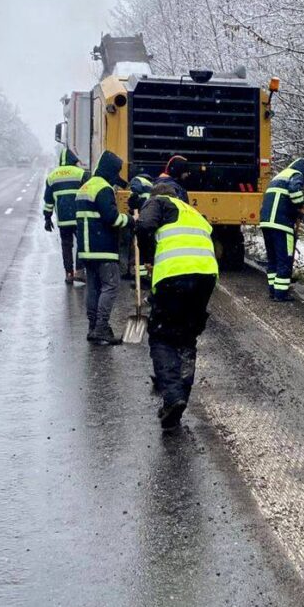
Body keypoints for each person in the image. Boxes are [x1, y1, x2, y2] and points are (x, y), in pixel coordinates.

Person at [136, 184, 218, 430]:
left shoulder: (158, 202)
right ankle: (179, 398)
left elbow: (144, 227)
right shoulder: (191, 211)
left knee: (162, 336)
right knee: (186, 336)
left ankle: (173, 396)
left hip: (174, 275)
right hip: (206, 276)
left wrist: (149, 257)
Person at [75, 150, 129, 345]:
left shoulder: (86, 186)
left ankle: (93, 327)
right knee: (110, 287)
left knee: (94, 287)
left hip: (86, 249)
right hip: (103, 247)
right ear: (110, 171)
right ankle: (101, 328)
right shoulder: (103, 189)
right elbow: (112, 218)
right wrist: (130, 220)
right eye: (116, 172)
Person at [259, 157, 304, 301]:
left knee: (273, 259)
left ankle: (273, 291)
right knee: (284, 260)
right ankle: (281, 295)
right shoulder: (295, 174)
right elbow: (294, 190)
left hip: (266, 223)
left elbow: (280, 199)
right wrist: (300, 205)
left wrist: (295, 211)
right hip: (281, 225)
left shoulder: (279, 177)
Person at [43, 147, 88, 284]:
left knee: (66, 246)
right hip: (79, 216)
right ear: (73, 160)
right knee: (82, 243)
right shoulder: (81, 174)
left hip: (63, 219)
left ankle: (69, 273)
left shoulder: (52, 177)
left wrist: (47, 218)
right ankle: (80, 271)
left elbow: (48, 201)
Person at [122, 171, 155, 282]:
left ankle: (139, 277)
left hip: (140, 214)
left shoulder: (137, 180)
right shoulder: (151, 184)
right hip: (149, 214)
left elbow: (135, 192)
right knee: (146, 245)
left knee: (136, 244)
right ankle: (145, 275)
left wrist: (132, 202)